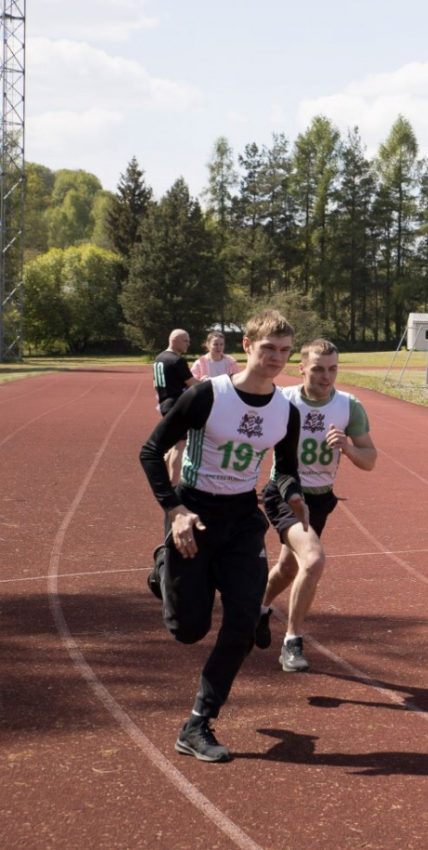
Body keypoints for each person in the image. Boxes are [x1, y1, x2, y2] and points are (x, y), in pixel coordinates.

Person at [139, 310, 307, 763]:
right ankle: (164, 564)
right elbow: (152, 451)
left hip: (241, 519)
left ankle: (198, 723)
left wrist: (293, 495)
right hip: (193, 512)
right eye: (268, 348)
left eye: (284, 350)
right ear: (247, 346)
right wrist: (173, 510)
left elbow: (286, 469)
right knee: (188, 630)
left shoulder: (286, 412)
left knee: (242, 623)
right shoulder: (206, 395)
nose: (275, 357)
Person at [257, 339, 378, 672]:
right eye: (318, 369)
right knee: (313, 559)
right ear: (301, 368)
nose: (327, 377)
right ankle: (292, 642)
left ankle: (260, 609)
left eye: (333, 369)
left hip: (321, 498)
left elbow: (370, 459)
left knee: (289, 568)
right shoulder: (283, 399)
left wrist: (349, 449)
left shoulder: (349, 406)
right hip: (285, 491)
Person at [152, 329, 198, 483]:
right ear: (174, 340)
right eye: (185, 341)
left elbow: (155, 384)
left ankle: (166, 478)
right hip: (177, 405)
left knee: (174, 442)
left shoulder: (158, 358)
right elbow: (193, 385)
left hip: (164, 403)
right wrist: (210, 383)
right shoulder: (177, 360)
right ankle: (173, 484)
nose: (188, 344)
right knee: (180, 445)